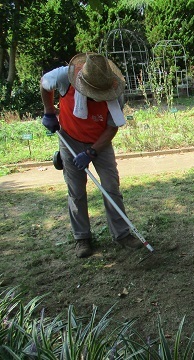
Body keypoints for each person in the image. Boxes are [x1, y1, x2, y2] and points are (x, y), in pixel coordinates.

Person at [40, 52, 143, 258]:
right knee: (76, 190)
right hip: (69, 140)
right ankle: (82, 238)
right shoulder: (64, 77)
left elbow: (112, 128)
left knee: (111, 187)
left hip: (101, 143)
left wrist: (92, 151)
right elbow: (44, 84)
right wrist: (49, 111)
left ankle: (122, 234)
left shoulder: (115, 91)